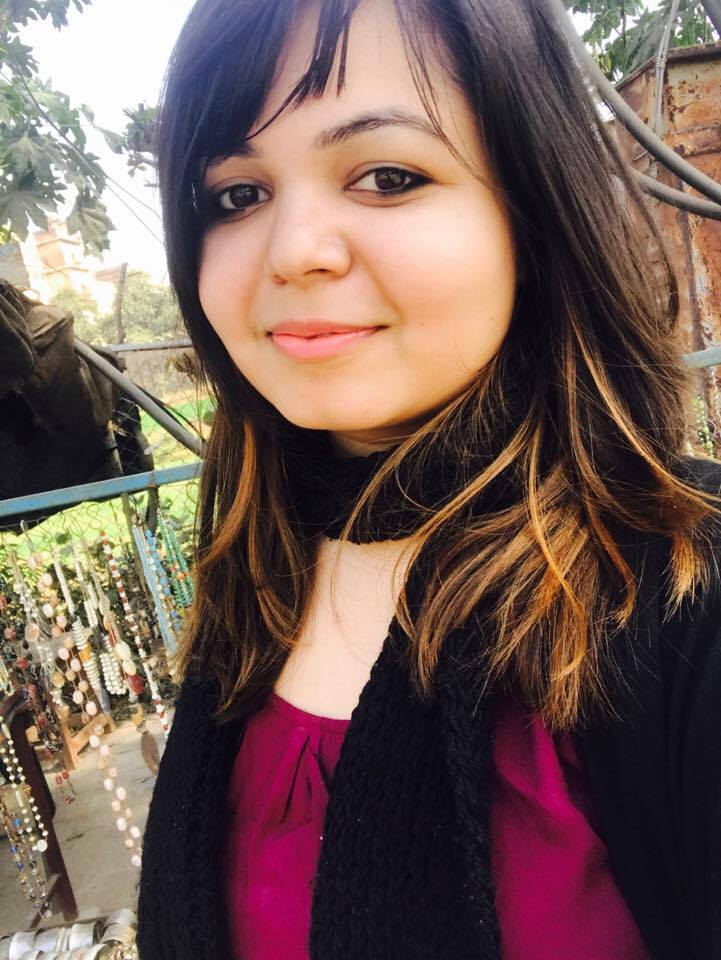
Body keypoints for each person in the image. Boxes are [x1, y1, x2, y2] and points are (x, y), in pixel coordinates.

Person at [136, 0, 721, 957]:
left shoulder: (686, 595)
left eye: (386, 177)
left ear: (532, 207)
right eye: (236, 195)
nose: (294, 252)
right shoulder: (253, 568)